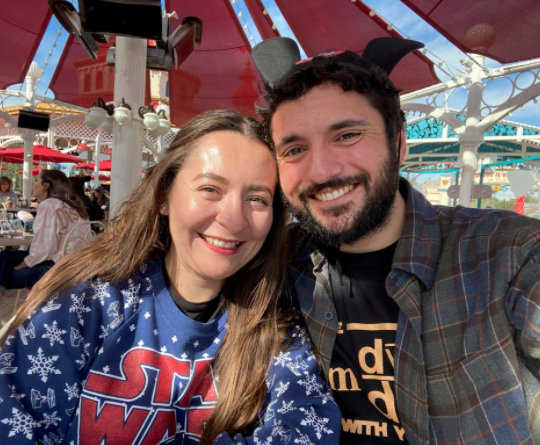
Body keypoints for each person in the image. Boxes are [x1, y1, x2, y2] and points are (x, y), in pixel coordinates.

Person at [254, 37, 540, 444]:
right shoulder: (276, 263)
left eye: (347, 135)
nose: (320, 170)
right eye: (295, 148)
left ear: (399, 142)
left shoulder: (507, 255)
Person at [0, 111, 340, 445]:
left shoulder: (273, 324)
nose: (235, 220)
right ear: (164, 196)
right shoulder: (85, 304)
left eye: (257, 199)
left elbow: (305, 424)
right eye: (210, 189)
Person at [0, 170, 89, 300]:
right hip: (75, 264)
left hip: (55, 269)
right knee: (5, 256)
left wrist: (25, 263)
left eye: (36, 180)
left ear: (46, 185)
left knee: (4, 267)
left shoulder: (48, 205)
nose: (32, 184)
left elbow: (45, 249)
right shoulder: (73, 206)